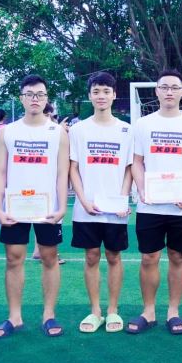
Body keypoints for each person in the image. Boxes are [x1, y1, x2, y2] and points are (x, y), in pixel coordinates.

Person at [128, 69, 182, 335]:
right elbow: (136, 162)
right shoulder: (143, 125)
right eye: (164, 87)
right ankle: (148, 311)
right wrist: (142, 190)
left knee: (178, 256)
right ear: (156, 91)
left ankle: (173, 312)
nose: (169, 92)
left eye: (175, 87)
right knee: (148, 257)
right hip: (150, 205)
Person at [0, 75, 69, 338]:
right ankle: (14, 317)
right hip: (15, 208)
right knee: (14, 258)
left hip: (47, 208)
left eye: (40, 94)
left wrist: (62, 207)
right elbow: (0, 172)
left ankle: (49, 315)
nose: (35, 99)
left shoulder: (57, 132)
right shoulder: (7, 131)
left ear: (46, 98)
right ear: (21, 98)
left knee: (49, 258)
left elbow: (62, 173)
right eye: (29, 94)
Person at [68, 72, 133, 334]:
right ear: (90, 96)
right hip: (87, 208)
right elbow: (73, 168)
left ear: (114, 95)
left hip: (115, 209)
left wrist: (123, 200)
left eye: (106, 91)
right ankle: (95, 310)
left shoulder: (126, 129)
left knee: (114, 256)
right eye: (96, 91)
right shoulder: (78, 129)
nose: (101, 96)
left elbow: (129, 168)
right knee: (91, 256)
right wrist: (83, 200)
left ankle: (113, 310)